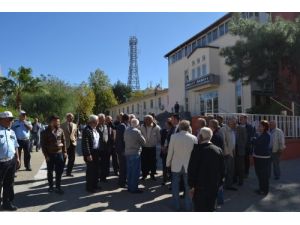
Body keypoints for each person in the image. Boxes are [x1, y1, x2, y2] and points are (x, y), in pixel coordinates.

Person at [188, 127, 225, 212]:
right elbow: (222, 170)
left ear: (200, 136)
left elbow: (192, 170)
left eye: (198, 135)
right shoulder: (218, 150)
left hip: (200, 189)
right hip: (213, 187)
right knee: (210, 208)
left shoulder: (197, 150)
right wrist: (220, 184)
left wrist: (191, 187)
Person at [166, 120, 198, 211]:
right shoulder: (194, 138)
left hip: (176, 165)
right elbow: (195, 154)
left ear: (179, 127)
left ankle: (176, 206)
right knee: (188, 187)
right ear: (188, 127)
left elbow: (170, 151)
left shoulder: (174, 137)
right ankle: (188, 207)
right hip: (188, 166)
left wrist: (167, 163)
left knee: (175, 186)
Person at [41, 115, 67, 194]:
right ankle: (51, 186)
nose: (58, 123)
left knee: (59, 171)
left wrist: (65, 152)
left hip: (59, 154)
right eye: (57, 121)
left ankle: (58, 187)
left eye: (59, 121)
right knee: (50, 171)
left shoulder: (60, 130)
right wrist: (46, 156)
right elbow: (43, 145)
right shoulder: (45, 132)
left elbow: (64, 141)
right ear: (52, 122)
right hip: (50, 155)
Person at [0, 111, 20, 211]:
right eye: (9, 119)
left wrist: (17, 158)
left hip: (11, 161)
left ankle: (6, 203)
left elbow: (15, 145)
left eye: (12, 119)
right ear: (2, 120)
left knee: (9, 183)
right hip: (0, 162)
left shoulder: (12, 131)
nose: (11, 121)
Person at [124, 118, 146, 193]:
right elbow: (143, 141)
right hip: (135, 152)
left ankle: (129, 187)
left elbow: (124, 140)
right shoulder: (137, 131)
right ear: (137, 124)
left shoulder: (126, 130)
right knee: (135, 172)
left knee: (129, 171)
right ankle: (134, 188)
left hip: (127, 152)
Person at [81, 115, 101, 193]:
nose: (98, 123)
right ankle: (89, 187)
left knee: (96, 170)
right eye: (97, 121)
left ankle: (95, 185)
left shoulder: (95, 129)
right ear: (92, 122)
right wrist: (88, 154)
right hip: (91, 153)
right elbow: (85, 143)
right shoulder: (87, 130)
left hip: (96, 152)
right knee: (90, 171)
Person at [252, 120, 271, 195]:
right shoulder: (259, 134)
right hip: (258, 157)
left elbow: (257, 143)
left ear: (264, 127)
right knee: (259, 174)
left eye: (260, 126)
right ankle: (261, 188)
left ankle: (264, 190)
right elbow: (256, 142)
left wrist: (254, 140)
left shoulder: (266, 135)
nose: (258, 127)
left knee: (263, 175)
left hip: (263, 158)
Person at [140, 115, 161, 181]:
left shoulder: (156, 127)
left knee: (153, 162)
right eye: (146, 120)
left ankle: (152, 175)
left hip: (152, 147)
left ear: (152, 120)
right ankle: (144, 175)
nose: (147, 121)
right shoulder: (141, 127)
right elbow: (139, 135)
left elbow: (159, 137)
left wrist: (154, 142)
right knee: (144, 162)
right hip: (144, 147)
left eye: (149, 120)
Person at [220, 117, 237, 191]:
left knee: (231, 170)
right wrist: (227, 153)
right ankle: (223, 186)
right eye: (233, 122)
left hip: (232, 152)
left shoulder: (233, 130)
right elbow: (224, 142)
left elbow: (232, 141)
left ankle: (229, 185)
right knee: (226, 170)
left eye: (235, 122)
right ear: (229, 122)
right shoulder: (224, 129)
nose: (235, 124)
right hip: (227, 154)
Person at [61, 113, 78, 177]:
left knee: (72, 159)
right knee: (63, 159)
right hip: (65, 144)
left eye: (72, 117)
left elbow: (75, 134)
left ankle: (69, 172)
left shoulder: (75, 125)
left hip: (72, 144)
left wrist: (75, 139)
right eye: (70, 117)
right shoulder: (62, 125)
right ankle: (60, 172)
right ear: (67, 118)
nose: (71, 119)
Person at [115, 114, 130, 188]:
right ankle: (122, 183)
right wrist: (124, 149)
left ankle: (122, 181)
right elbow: (123, 139)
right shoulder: (123, 126)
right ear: (127, 119)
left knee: (123, 166)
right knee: (123, 167)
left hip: (120, 149)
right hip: (122, 150)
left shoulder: (121, 125)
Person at [97, 113, 110, 182]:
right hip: (98, 148)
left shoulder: (105, 126)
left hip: (105, 148)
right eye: (101, 119)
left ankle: (103, 177)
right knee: (99, 164)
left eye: (103, 119)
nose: (103, 120)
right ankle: (98, 176)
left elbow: (107, 136)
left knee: (104, 163)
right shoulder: (96, 126)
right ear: (99, 119)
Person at [234, 122, 247, 186]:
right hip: (233, 149)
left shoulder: (242, 129)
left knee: (241, 166)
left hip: (240, 149)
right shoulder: (231, 129)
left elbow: (245, 139)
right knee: (234, 166)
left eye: (234, 123)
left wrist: (241, 146)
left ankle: (241, 180)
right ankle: (235, 179)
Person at [160, 118, 172, 185]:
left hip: (170, 151)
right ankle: (164, 180)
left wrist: (167, 148)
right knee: (164, 166)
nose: (165, 125)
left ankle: (170, 179)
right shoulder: (163, 131)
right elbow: (162, 140)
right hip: (164, 151)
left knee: (170, 167)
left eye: (166, 124)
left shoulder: (173, 131)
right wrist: (162, 147)